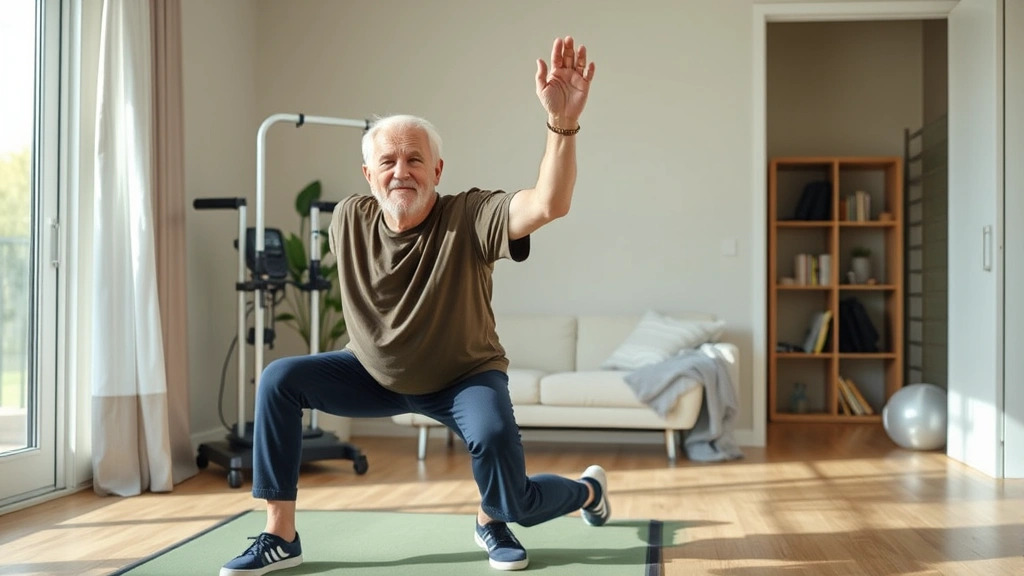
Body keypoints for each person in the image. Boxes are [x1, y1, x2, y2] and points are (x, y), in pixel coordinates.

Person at [220, 35, 600, 575]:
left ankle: (565, 498)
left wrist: (562, 124)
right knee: (281, 379)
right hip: (372, 375)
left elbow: (548, 204)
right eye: (389, 161)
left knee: (513, 495)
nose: (403, 171)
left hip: (463, 379)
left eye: (416, 159)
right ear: (369, 175)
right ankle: (280, 534)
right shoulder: (349, 220)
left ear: (438, 172)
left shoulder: (470, 215)